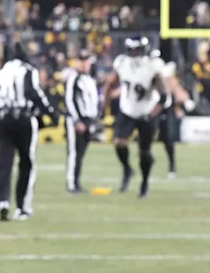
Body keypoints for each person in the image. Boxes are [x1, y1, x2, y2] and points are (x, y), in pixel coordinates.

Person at [0, 42, 54, 220]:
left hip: (4, 120)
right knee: (26, 163)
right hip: (24, 120)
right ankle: (22, 207)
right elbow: (32, 92)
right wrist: (50, 112)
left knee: (3, 161)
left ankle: (3, 200)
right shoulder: (28, 70)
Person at [103, 36, 169, 198]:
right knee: (119, 143)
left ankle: (144, 183)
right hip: (128, 110)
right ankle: (127, 169)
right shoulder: (122, 63)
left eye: (136, 50)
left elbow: (164, 96)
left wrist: (151, 114)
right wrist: (104, 105)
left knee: (144, 152)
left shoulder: (152, 66)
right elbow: (110, 84)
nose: (133, 54)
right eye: (131, 50)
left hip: (147, 111)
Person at [151, 49, 195, 178]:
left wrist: (184, 100)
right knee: (146, 139)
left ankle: (171, 164)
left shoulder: (165, 74)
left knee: (168, 139)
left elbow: (174, 87)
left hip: (163, 108)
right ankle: (148, 163)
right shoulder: (146, 70)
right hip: (149, 108)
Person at [63, 49, 99, 194]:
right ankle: (71, 183)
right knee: (74, 152)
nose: (84, 64)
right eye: (82, 61)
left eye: (86, 61)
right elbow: (69, 100)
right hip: (77, 119)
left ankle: (76, 182)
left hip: (88, 119)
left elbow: (93, 102)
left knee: (81, 153)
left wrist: (93, 120)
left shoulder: (89, 79)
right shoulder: (74, 77)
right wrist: (76, 120)